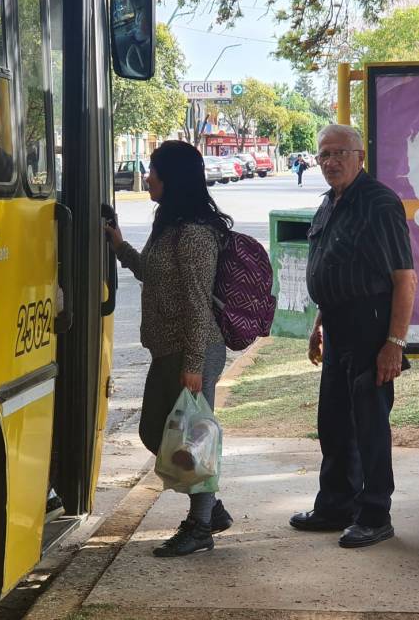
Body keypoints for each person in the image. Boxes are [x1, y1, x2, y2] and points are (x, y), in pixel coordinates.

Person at [105, 140, 234, 557]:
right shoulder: (172, 225)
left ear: (171, 177)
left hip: (192, 350)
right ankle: (210, 509)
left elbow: (198, 303)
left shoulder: (195, 234)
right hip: (170, 349)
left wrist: (194, 365)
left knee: (188, 441)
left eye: (153, 170)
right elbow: (153, 275)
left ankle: (200, 527)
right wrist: (120, 246)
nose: (147, 177)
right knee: (156, 433)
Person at [290, 124, 417, 549]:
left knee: (369, 426)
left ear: (360, 156)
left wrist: (393, 345)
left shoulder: (379, 203)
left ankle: (375, 514)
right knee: (334, 422)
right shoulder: (330, 203)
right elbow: (334, 268)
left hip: (371, 327)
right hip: (338, 326)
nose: (331, 161)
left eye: (340, 152)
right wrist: (318, 324)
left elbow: (405, 280)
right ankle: (336, 505)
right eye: (324, 154)